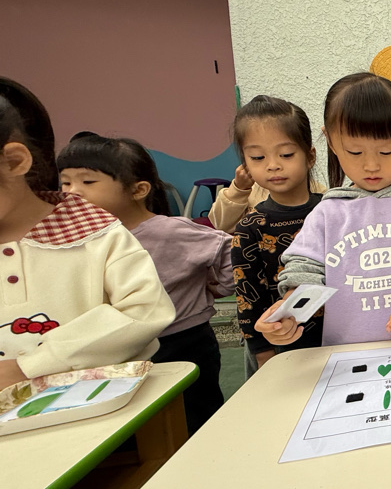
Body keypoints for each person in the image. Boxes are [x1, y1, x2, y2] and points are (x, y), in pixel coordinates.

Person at [256, 72, 391, 347]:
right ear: (331, 141)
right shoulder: (327, 214)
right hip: (350, 356)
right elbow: (304, 275)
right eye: (355, 152)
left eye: (386, 152)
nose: (371, 165)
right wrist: (287, 316)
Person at [57, 133, 232, 432]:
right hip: (120, 348)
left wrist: (216, 285)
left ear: (138, 190)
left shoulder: (168, 231)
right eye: (65, 183)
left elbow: (227, 250)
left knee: (193, 419)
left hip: (182, 342)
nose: (73, 192)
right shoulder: (82, 240)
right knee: (139, 424)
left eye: (87, 182)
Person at [0, 96, 174, 392]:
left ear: (15, 161)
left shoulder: (97, 233)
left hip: (105, 407)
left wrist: (29, 365)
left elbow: (145, 311)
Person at [230, 95, 325, 373]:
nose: (273, 165)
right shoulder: (250, 227)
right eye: (258, 157)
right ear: (246, 164)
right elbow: (248, 299)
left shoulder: (333, 212)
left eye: (286, 154)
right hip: (280, 344)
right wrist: (264, 354)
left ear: (310, 156)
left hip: (340, 338)